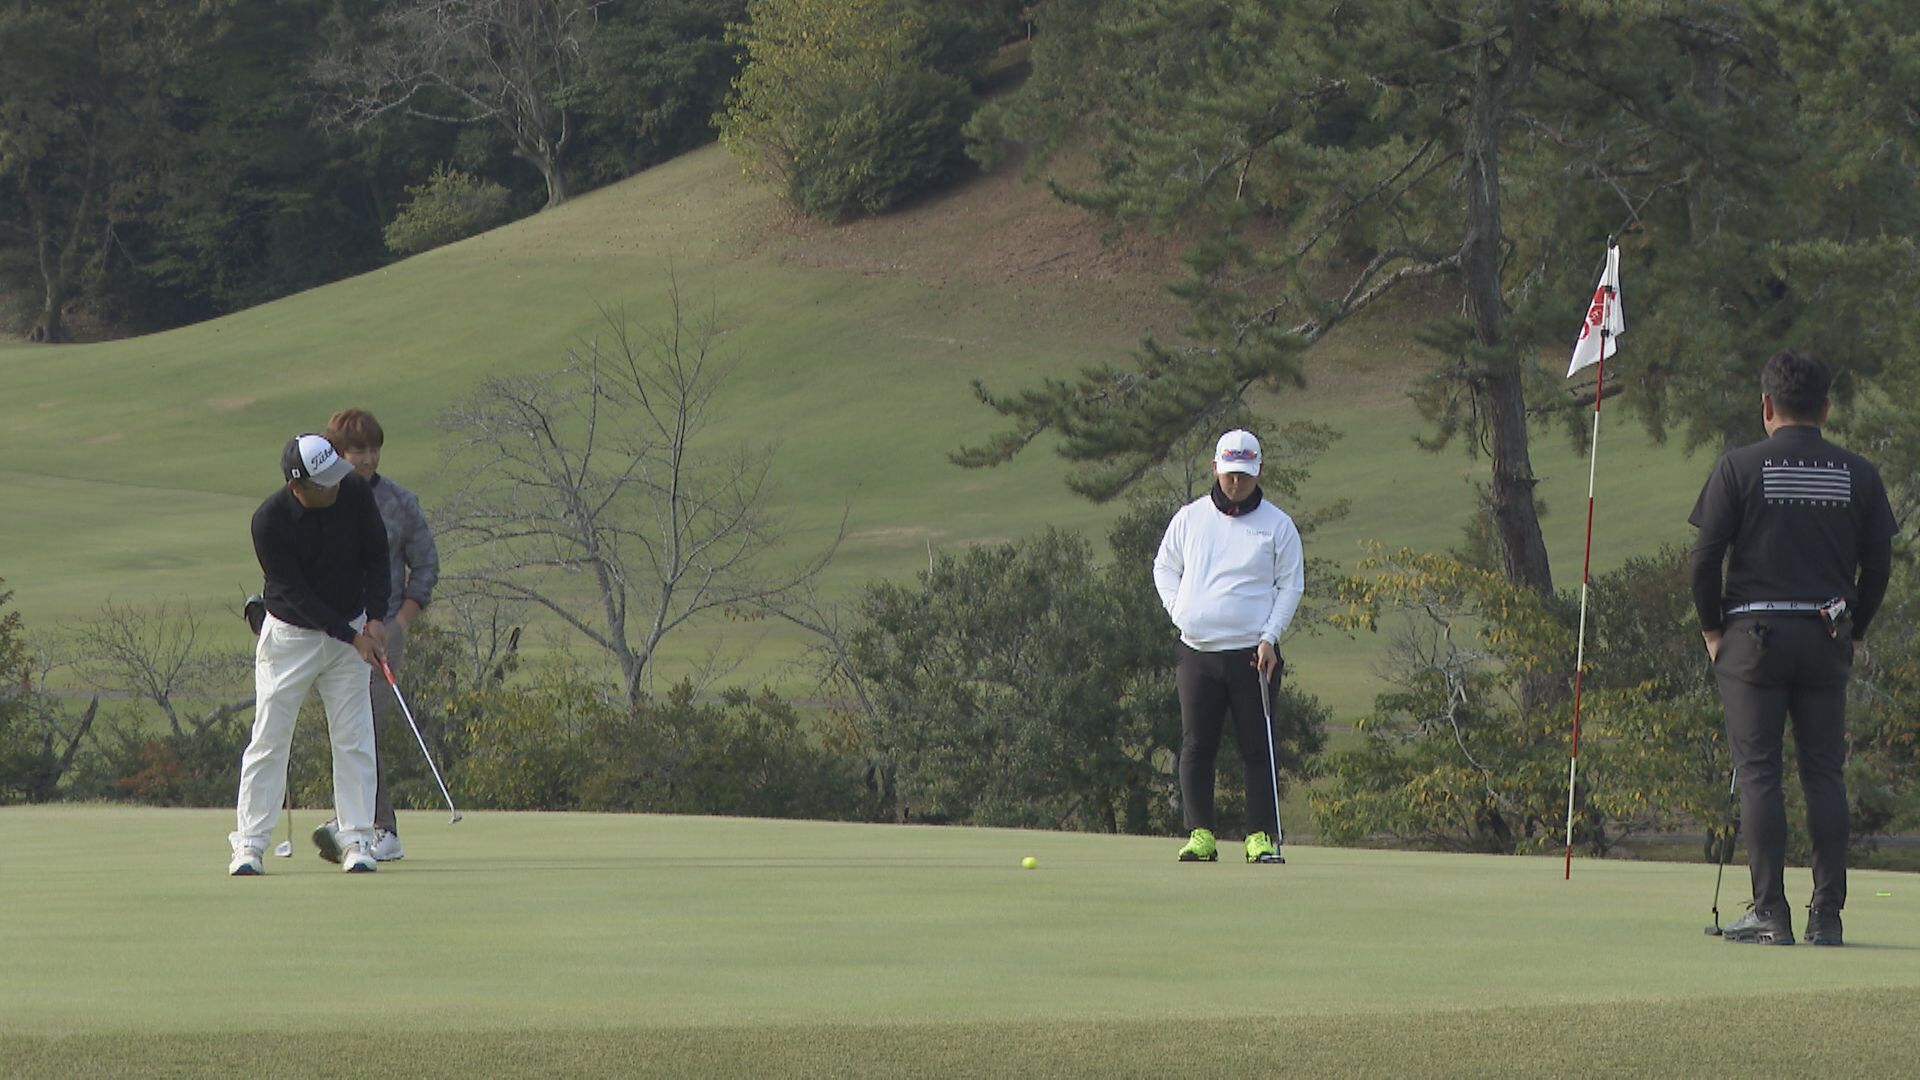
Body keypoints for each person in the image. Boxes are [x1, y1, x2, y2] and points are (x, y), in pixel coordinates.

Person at [1689, 348, 1896, 946]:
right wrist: (1854, 630)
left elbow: (1704, 560)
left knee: (1760, 774)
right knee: (1824, 774)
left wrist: (1711, 629)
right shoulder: (1858, 474)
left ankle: (1769, 912)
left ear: (1766, 406)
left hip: (1753, 637)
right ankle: (1826, 916)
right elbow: (1878, 566)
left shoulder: (1739, 467)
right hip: (1827, 634)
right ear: (1826, 408)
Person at [229, 434, 391, 875]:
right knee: (270, 738)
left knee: (355, 736)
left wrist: (376, 619)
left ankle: (357, 838)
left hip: (353, 626)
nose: (336, 487)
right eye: (324, 484)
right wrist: (351, 636)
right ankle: (249, 844)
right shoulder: (269, 521)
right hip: (291, 637)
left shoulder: (353, 490)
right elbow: (295, 595)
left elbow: (378, 554)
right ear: (297, 485)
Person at [1153, 429, 1305, 865]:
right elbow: (1164, 566)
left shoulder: (1278, 526)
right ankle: (1200, 834)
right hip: (1197, 652)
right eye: (1229, 473)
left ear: (1257, 472)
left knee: (1257, 747)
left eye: (1244, 474)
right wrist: (1179, 611)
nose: (1236, 482)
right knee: (1197, 745)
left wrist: (1270, 637)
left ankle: (1259, 837)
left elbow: (1290, 585)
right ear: (1215, 468)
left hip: (1253, 655)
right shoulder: (1190, 518)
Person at [310, 408, 439, 865]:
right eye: (356, 450)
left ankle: (382, 828)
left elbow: (425, 565)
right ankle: (354, 821)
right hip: (334, 632)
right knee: (345, 728)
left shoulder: (400, 502)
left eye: (372, 449)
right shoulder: (321, 498)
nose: (367, 459)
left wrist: (401, 621)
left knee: (367, 728)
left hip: (382, 631)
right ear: (337, 453)